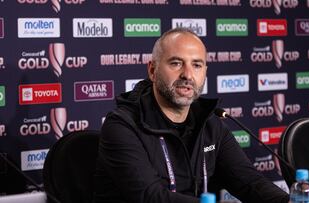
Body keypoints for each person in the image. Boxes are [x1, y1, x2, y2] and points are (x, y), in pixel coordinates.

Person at [93, 28, 289, 203]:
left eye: (196, 65)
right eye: (176, 63)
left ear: (204, 72)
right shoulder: (122, 125)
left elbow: (248, 181)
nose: (187, 74)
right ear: (152, 70)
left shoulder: (210, 123)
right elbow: (149, 196)